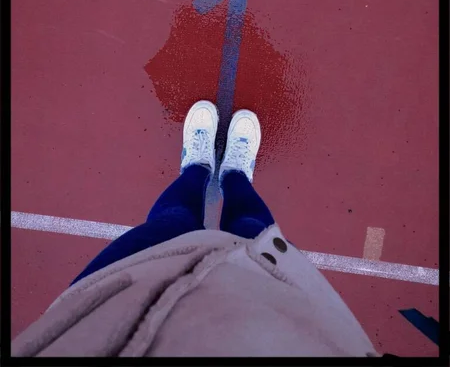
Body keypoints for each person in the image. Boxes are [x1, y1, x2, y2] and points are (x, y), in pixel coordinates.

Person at [12, 101, 378, 357]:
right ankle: (235, 174)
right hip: (285, 327)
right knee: (254, 233)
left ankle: (198, 167)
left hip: (100, 316)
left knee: (171, 225)